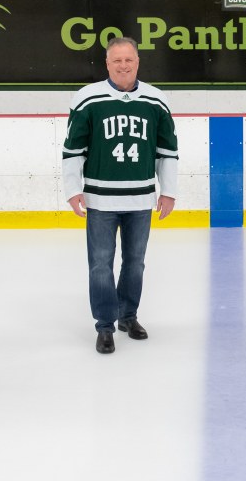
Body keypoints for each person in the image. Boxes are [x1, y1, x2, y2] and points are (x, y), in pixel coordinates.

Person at [62, 36, 179, 354]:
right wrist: (73, 189)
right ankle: (104, 325)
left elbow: (167, 152)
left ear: (138, 62)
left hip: (141, 198)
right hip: (100, 199)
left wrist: (168, 192)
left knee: (136, 263)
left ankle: (128, 316)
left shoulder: (155, 100)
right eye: (117, 60)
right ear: (107, 63)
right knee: (100, 264)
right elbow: (73, 150)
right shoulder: (88, 99)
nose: (123, 65)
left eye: (129, 60)